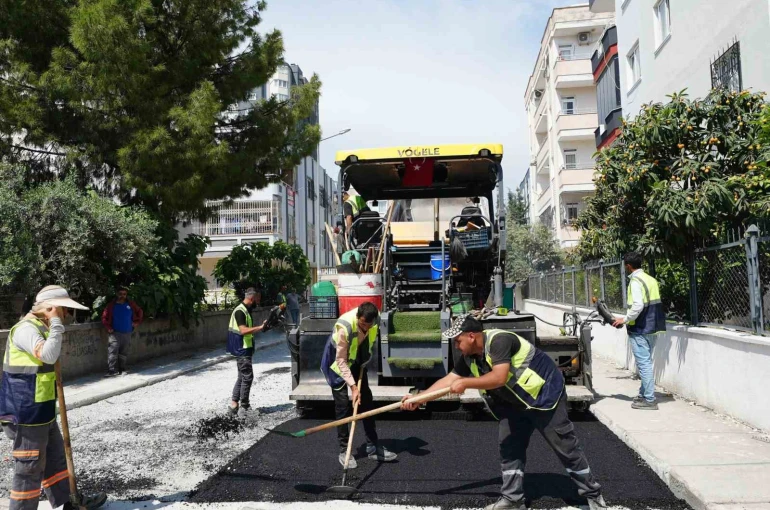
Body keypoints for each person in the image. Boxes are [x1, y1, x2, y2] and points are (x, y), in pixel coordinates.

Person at [401, 315, 606, 510]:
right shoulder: (469, 357)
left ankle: (592, 495)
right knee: (509, 449)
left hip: (545, 397)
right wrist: (419, 398)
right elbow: (448, 380)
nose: (456, 345)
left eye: (457, 340)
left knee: (566, 448)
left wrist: (465, 383)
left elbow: (499, 377)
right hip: (513, 405)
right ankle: (512, 499)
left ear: (471, 336)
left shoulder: (499, 341)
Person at [0, 285, 107, 510]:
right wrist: (56, 323)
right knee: (29, 469)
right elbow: (48, 354)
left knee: (56, 459)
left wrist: (54, 325)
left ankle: (69, 502)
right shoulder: (25, 330)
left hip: (42, 411)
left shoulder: (41, 327)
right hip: (26, 414)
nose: (66, 315)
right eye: (63, 310)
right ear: (51, 308)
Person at [320, 302, 396, 468]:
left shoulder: (374, 320)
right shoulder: (344, 327)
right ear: (358, 318)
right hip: (337, 363)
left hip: (356, 361)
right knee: (343, 406)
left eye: (367, 324)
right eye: (361, 323)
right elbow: (340, 361)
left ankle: (372, 447)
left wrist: (363, 362)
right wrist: (353, 388)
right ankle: (344, 450)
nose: (364, 326)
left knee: (366, 402)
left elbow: (366, 343)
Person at [612, 252, 666, 410]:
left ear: (628, 266)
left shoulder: (635, 281)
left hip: (640, 327)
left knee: (644, 364)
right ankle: (644, 394)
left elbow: (638, 305)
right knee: (646, 362)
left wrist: (625, 319)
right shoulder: (651, 279)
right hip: (653, 327)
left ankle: (649, 399)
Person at [226, 288, 267, 419]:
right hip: (242, 349)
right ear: (251, 298)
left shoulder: (245, 310)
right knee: (248, 377)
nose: (257, 302)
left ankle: (233, 404)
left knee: (241, 377)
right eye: (256, 299)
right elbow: (243, 330)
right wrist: (260, 327)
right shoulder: (240, 311)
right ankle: (244, 407)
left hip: (243, 348)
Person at [101, 286, 144, 377]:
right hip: (114, 333)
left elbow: (140, 311)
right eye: (120, 294)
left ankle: (122, 369)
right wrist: (108, 327)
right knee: (112, 350)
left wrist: (137, 322)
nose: (122, 296)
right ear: (117, 294)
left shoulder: (131, 304)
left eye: (124, 294)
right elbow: (104, 317)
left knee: (123, 352)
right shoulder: (111, 306)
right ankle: (111, 371)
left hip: (127, 332)